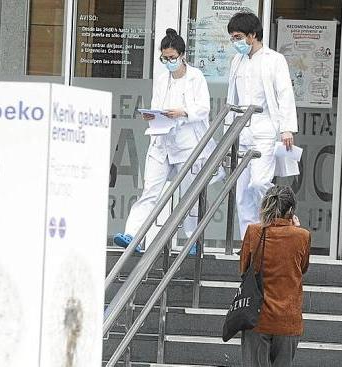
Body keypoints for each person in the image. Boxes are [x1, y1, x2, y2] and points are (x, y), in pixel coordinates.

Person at [113, 28, 216, 255]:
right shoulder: (162, 79)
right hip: (162, 141)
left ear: (182, 55)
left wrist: (182, 112)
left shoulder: (195, 77)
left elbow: (203, 109)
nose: (168, 62)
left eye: (172, 58)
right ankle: (132, 235)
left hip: (187, 144)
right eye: (164, 58)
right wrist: (152, 115)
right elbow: (157, 104)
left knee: (189, 194)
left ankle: (193, 241)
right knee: (150, 190)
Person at [226, 12, 299, 240]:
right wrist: (229, 131)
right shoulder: (236, 61)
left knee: (259, 182)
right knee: (242, 192)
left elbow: (284, 93)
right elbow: (232, 97)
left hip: (266, 128)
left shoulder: (274, 59)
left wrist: (287, 127)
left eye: (238, 37)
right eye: (232, 38)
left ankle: (281, 220)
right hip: (242, 130)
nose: (235, 42)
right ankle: (250, 239)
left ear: (253, 35)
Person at [239, 186, 311, 367]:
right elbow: (302, 268)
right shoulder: (302, 236)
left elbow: (243, 269)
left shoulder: (253, 231)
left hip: (257, 317)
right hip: (288, 318)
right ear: (291, 210)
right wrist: (295, 229)